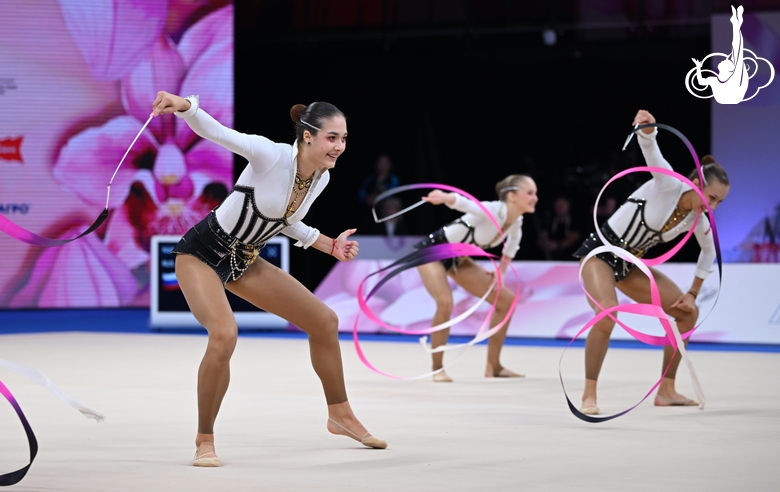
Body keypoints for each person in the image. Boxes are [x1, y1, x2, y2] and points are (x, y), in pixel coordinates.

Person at [150, 92, 387, 467]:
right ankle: (204, 439)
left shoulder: (320, 178)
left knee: (324, 321)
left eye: (343, 139)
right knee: (224, 334)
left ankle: (340, 415)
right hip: (200, 254)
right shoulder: (270, 155)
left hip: (245, 259)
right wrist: (186, 107)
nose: (339, 146)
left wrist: (329, 245)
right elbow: (219, 133)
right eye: (331, 138)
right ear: (307, 136)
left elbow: (287, 220)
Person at [573, 109, 730, 415]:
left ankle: (666, 390)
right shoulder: (667, 183)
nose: (712, 206)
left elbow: (709, 252)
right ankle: (589, 395)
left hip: (631, 265)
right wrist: (648, 129)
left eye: (719, 202)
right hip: (601, 254)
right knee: (606, 314)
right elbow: (651, 151)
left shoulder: (697, 219)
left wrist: (693, 292)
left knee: (687, 313)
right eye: (711, 197)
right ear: (695, 182)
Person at [413, 175, 538, 382]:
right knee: (445, 302)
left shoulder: (516, 220)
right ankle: (437, 369)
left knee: (506, 301)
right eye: (530, 193)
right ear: (512, 196)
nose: (535, 198)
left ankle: (493, 366)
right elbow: (466, 204)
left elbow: (512, 246)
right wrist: (444, 197)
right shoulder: (494, 209)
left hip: (459, 259)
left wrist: (501, 272)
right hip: (433, 252)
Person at [357, 154, 401, 231]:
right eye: (380, 163)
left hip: (388, 213)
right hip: (371, 212)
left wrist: (379, 198)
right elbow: (362, 195)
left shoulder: (393, 179)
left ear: (390, 165)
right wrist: (367, 199)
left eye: (385, 163)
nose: (382, 166)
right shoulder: (370, 180)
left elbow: (392, 193)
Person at [540, 195, 582, 260]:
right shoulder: (549, 220)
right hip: (551, 255)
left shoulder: (575, 221)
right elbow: (542, 236)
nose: (560, 208)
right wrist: (546, 243)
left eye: (562, 206)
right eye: (557, 206)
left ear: (568, 206)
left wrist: (558, 245)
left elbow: (573, 238)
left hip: (571, 256)